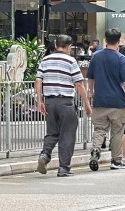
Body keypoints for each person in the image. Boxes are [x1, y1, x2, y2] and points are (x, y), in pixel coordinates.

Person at [35, 35, 91, 177]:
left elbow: (38, 81)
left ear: (55, 45)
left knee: (52, 132)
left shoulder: (45, 60)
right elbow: (79, 83)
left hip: (49, 102)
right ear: (68, 46)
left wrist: (40, 101)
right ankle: (64, 168)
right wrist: (87, 103)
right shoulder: (71, 61)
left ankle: (45, 155)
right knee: (67, 134)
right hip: (66, 102)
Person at [86, 27, 125, 171]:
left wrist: (92, 92)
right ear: (119, 41)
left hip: (100, 100)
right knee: (117, 131)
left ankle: (95, 150)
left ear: (105, 40)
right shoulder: (121, 59)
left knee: (99, 129)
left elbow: (90, 77)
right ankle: (116, 160)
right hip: (117, 101)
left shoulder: (96, 56)